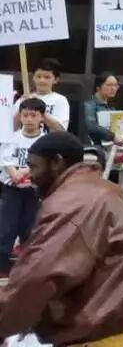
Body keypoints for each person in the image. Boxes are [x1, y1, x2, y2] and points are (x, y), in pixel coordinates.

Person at [0, 131, 123, 345]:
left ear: (57, 162)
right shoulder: (107, 190)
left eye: (34, 166)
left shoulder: (71, 202)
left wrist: (5, 321)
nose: (30, 175)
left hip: (99, 337)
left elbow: (38, 276)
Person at [0, 98, 45, 277]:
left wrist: (24, 173)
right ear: (20, 116)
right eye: (25, 115)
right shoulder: (11, 137)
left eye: (33, 115)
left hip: (33, 191)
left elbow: (43, 164)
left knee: (30, 227)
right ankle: (2, 266)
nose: (29, 119)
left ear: (42, 117)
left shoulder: (44, 141)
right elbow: (5, 159)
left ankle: (28, 267)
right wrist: (14, 174)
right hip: (11, 189)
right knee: (6, 226)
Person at [12, 58, 68, 132]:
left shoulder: (60, 100)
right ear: (33, 78)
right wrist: (21, 107)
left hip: (48, 139)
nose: (42, 80)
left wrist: (42, 114)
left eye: (47, 77)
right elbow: (11, 128)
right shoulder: (24, 99)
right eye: (38, 76)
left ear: (55, 80)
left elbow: (61, 130)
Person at [82, 72, 122, 146]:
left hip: (110, 148)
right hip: (94, 148)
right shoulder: (89, 105)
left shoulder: (111, 108)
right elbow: (91, 126)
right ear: (98, 87)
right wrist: (113, 136)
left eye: (116, 85)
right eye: (109, 85)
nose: (113, 88)